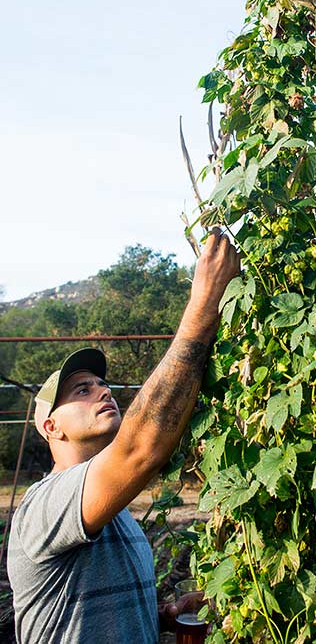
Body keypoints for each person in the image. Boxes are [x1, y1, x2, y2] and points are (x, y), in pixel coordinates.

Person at [7, 230, 240, 643]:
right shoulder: (42, 507)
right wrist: (204, 305)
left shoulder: (118, 515)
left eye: (102, 383)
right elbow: (140, 448)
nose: (103, 390)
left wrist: (162, 615)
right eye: (82, 390)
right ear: (51, 427)